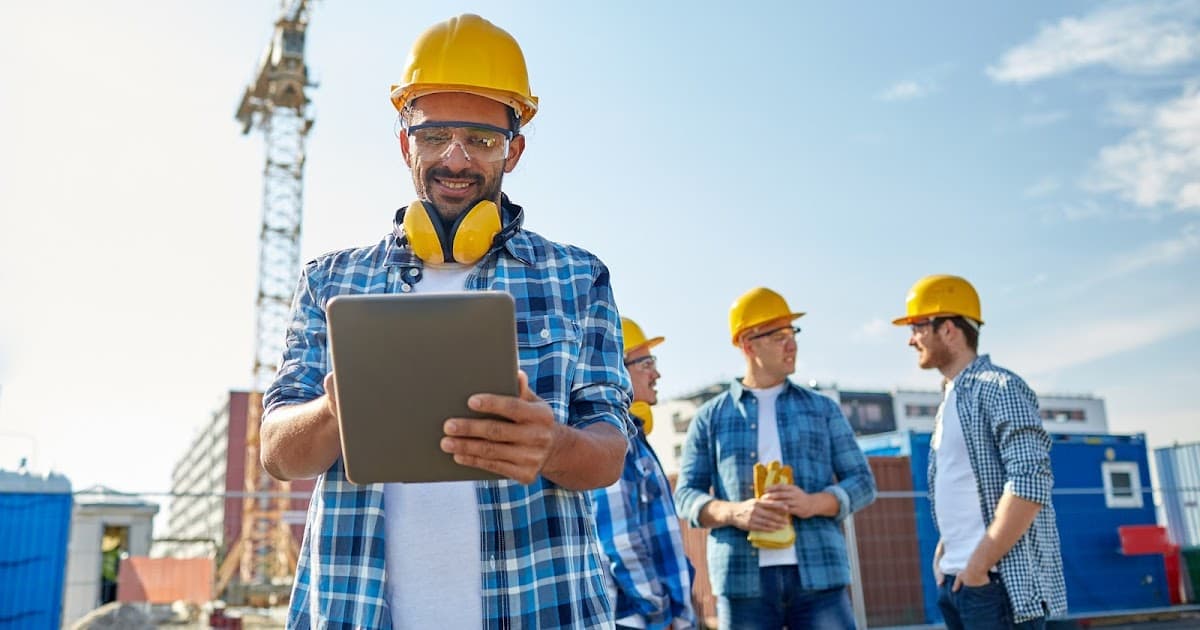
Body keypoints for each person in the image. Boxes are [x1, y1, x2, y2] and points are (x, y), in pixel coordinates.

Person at [259, 14, 633, 629]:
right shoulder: (331, 281)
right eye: (435, 136)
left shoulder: (578, 277)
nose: (454, 158)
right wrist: (332, 411)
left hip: (543, 610)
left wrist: (553, 446)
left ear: (514, 147)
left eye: (482, 140)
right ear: (406, 143)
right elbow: (278, 453)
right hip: (357, 611)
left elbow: (609, 451)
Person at [674, 287, 876, 629]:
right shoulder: (710, 417)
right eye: (779, 335)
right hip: (742, 582)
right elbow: (686, 496)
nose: (792, 343)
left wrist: (814, 503)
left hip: (820, 576)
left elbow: (863, 483)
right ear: (748, 344)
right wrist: (735, 512)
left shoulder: (823, 409)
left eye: (792, 332)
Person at [893, 274, 1066, 629]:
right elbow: (966, 486)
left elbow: (1030, 482)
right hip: (959, 580)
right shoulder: (951, 398)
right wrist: (948, 550)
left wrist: (978, 566)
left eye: (918, 327)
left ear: (949, 329)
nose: (911, 340)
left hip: (995, 585)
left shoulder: (1000, 388)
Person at [591, 317, 697, 630]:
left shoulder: (635, 439)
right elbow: (620, 540)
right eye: (646, 362)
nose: (656, 373)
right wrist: (659, 612)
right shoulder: (612, 438)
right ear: (618, 367)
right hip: (637, 620)